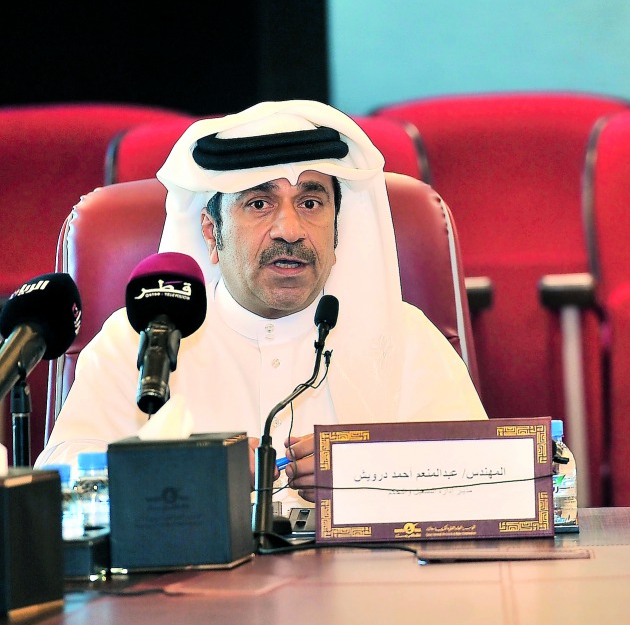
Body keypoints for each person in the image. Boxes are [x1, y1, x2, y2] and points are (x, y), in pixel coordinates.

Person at [39, 100, 486, 508]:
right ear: (212, 232)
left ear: (336, 231)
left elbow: (492, 480)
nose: (289, 230)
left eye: (310, 202)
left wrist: (370, 475)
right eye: (259, 204)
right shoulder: (141, 339)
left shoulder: (403, 337)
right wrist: (202, 472)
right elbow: (59, 485)